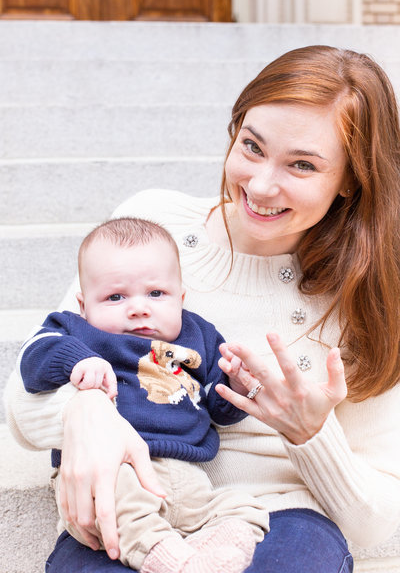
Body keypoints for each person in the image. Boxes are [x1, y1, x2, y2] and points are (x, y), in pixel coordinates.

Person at [5, 45, 400, 573]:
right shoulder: (152, 226)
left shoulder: (365, 293)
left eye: (302, 164)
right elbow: (24, 399)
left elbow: (379, 523)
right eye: (252, 147)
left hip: (273, 517)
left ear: (352, 178)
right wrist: (85, 411)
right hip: (133, 493)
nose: (260, 186)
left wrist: (310, 433)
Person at [18, 217, 269, 573]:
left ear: (181, 298)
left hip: (189, 475)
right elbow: (33, 357)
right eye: (115, 297)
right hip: (110, 468)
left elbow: (217, 405)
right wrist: (77, 360)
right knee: (124, 505)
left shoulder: (199, 335)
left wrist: (239, 386)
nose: (138, 307)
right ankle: (164, 556)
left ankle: (217, 553)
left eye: (156, 294)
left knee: (242, 507)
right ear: (83, 304)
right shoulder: (77, 331)